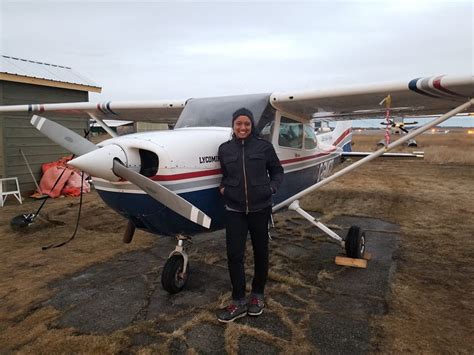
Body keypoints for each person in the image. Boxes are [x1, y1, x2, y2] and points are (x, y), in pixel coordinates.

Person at [216, 107, 283, 323]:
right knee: (234, 255)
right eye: (238, 124)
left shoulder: (264, 147)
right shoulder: (225, 149)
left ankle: (257, 295)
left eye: (246, 124)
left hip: (260, 208)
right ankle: (238, 300)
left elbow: (277, 171)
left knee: (260, 252)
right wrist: (223, 188)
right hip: (234, 210)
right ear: (233, 126)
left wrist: (271, 188)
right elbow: (225, 174)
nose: (242, 127)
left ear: (252, 125)